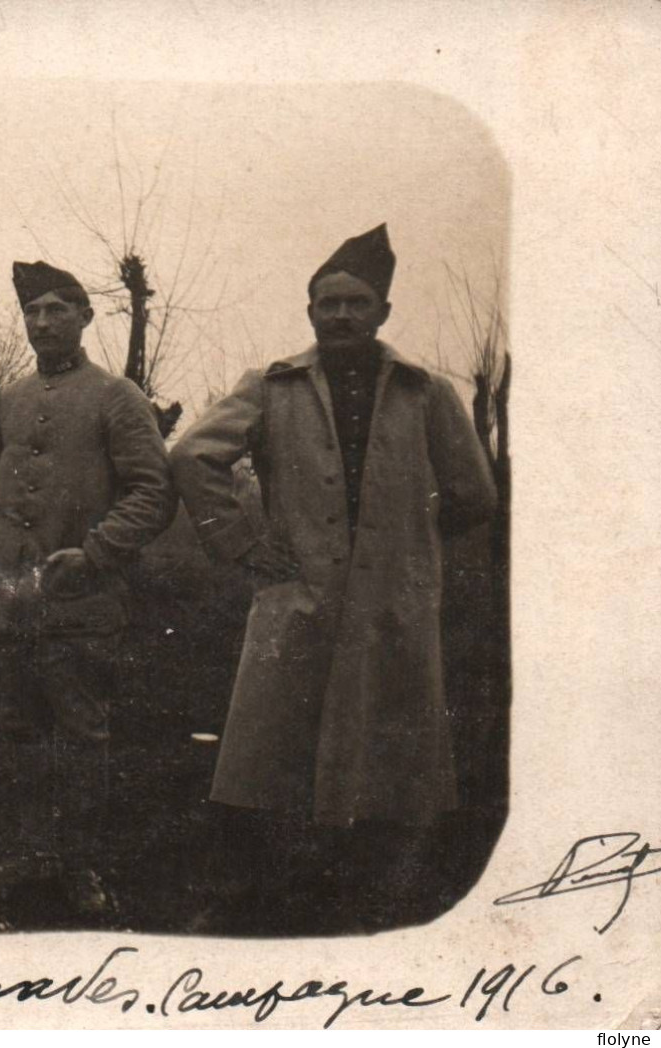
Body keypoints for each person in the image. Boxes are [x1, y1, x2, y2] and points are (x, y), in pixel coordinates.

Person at [169, 224, 497, 924]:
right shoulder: (271, 385)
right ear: (309, 312)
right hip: (297, 593)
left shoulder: (423, 391)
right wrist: (239, 541)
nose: (341, 315)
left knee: (391, 743)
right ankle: (268, 890)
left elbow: (473, 494)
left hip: (391, 601)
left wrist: (409, 545)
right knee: (272, 746)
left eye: (356, 303)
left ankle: (379, 888)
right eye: (327, 303)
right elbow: (193, 455)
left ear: (382, 312)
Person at [0, 261, 176, 916]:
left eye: (57, 310)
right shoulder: (7, 399)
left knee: (81, 738)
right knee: (15, 736)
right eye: (33, 313)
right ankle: (27, 854)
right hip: (7, 603)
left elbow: (152, 491)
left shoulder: (116, 398)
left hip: (80, 606)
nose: (44, 323)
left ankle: (81, 865)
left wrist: (96, 552)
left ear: (84, 317)